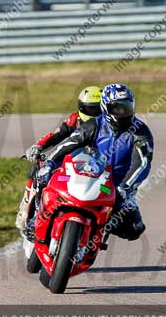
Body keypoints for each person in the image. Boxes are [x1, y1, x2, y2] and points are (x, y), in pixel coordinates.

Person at [38, 84, 153, 241]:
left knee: (134, 229)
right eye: (118, 108)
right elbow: (69, 144)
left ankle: (98, 233)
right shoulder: (95, 124)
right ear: (106, 106)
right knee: (51, 186)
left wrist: (125, 187)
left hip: (119, 186)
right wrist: (49, 163)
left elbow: (142, 164)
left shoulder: (140, 131)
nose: (123, 112)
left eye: (127, 108)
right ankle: (38, 222)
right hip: (89, 175)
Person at [17, 86, 103, 237]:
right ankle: (30, 211)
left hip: (94, 165)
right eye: (92, 109)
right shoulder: (74, 120)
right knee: (40, 170)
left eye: (100, 110)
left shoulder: (107, 126)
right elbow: (56, 136)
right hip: (70, 161)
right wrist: (38, 146)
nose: (96, 114)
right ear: (82, 108)